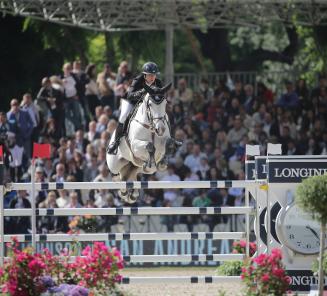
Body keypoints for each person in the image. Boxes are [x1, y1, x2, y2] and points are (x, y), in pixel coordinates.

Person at [107, 62, 162, 154]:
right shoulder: (137, 80)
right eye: (150, 75)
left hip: (147, 104)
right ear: (144, 75)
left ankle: (168, 139)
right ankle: (115, 143)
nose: (152, 77)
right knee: (123, 116)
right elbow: (130, 95)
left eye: (154, 75)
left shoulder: (158, 82)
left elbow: (160, 96)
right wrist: (142, 92)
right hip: (131, 102)